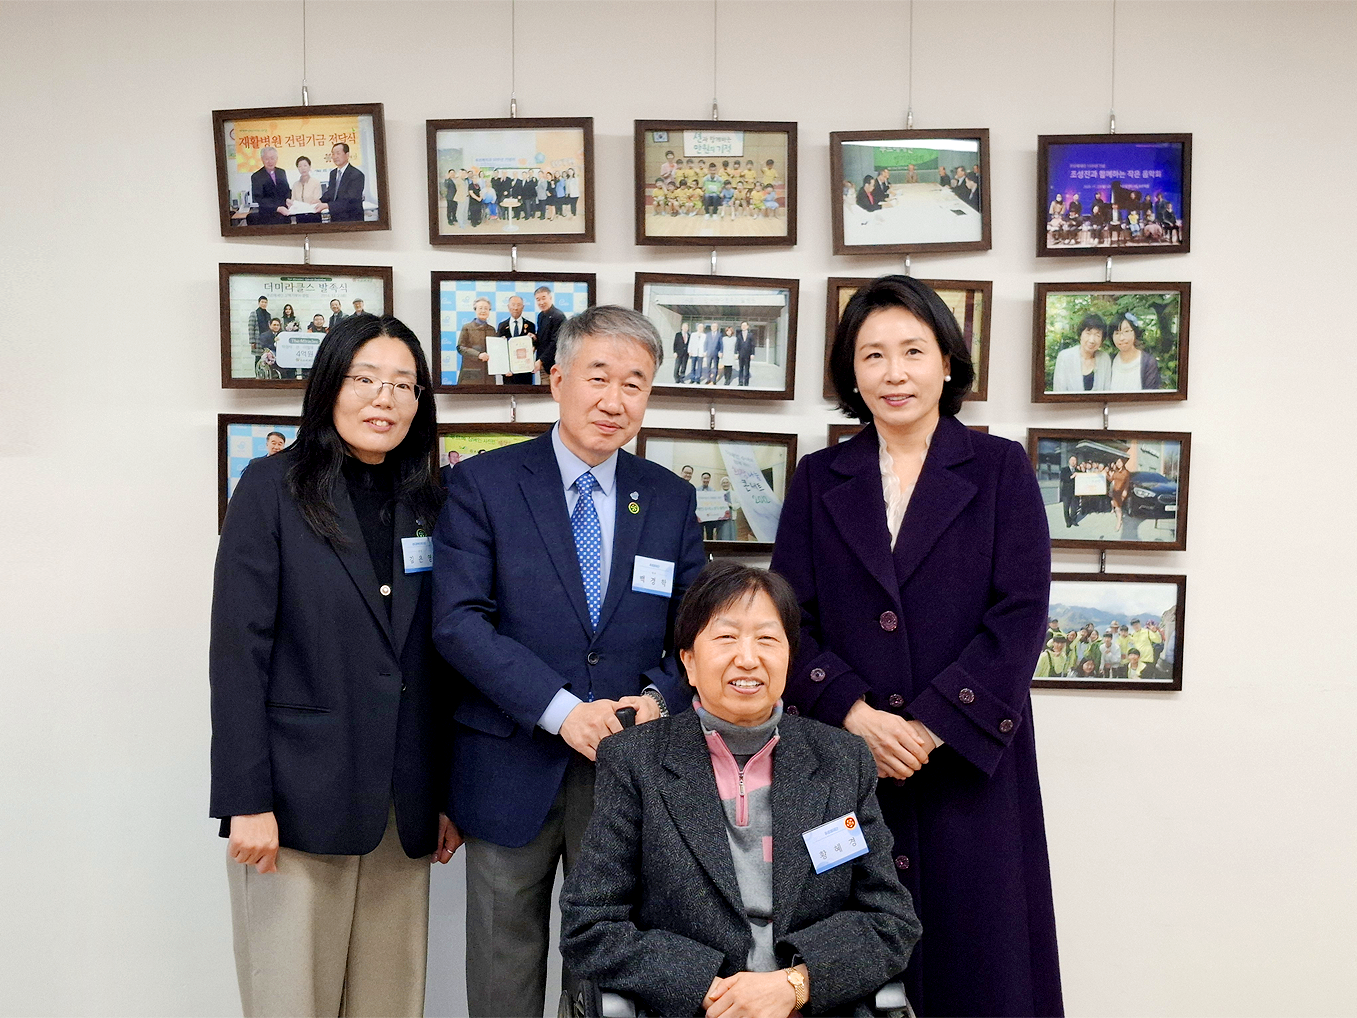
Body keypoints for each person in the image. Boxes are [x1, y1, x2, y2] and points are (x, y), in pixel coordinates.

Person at [770, 274, 1062, 1017]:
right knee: (848, 960)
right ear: (851, 371)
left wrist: (930, 726)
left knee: (980, 961)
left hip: (967, 760)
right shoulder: (818, 478)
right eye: (872, 355)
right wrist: (854, 715)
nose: (893, 373)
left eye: (912, 351)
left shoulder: (1000, 469)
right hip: (847, 761)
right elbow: (788, 620)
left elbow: (1021, 614)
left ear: (946, 362)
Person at [433, 305, 707, 1018]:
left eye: (635, 384)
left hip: (628, 764)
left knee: (607, 964)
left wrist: (658, 699)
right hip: (509, 759)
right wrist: (560, 711)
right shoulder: (483, 484)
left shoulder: (670, 499)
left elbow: (698, 631)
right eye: (598, 377)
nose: (615, 400)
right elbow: (458, 622)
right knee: (503, 963)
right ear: (557, 379)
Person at [211, 314, 460, 1018]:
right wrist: (245, 800)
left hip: (402, 806)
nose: (385, 399)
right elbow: (237, 653)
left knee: (390, 1002)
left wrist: (446, 793)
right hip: (293, 804)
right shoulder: (271, 487)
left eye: (404, 385)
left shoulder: (431, 503)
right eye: (366, 379)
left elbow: (442, 659)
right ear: (329, 386)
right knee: (290, 999)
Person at [559, 561, 921, 1018]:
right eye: (726, 637)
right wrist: (709, 990)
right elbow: (589, 923)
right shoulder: (636, 761)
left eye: (767, 639)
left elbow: (890, 921)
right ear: (689, 660)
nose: (747, 658)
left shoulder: (841, 760)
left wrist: (795, 985)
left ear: (789, 657)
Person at [1052, 313, 1111, 393]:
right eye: (1088, 333)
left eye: (1097, 335)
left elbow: (1107, 392)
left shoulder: (1104, 358)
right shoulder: (1065, 357)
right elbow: (1058, 392)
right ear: (1080, 335)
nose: (1092, 340)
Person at [1108, 311, 1164, 391]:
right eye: (1117, 333)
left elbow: (1151, 395)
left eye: (1126, 331)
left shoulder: (1148, 362)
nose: (1121, 338)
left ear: (1134, 332)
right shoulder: (1110, 361)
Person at [318, 142, 366, 223]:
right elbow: (331, 193)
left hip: (352, 219)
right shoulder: (333, 173)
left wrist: (328, 205)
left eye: (338, 153)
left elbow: (351, 199)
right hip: (335, 218)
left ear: (347, 155)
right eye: (333, 154)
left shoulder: (357, 175)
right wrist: (320, 201)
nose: (335, 157)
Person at [498, 294, 537, 385]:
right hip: (508, 372)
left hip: (525, 371)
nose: (515, 308)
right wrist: (504, 368)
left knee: (527, 393)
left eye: (518, 305)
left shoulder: (530, 325)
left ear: (523, 307)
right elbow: (500, 350)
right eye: (513, 305)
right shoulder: (502, 326)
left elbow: (535, 345)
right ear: (508, 307)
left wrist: (534, 341)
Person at [456, 298, 495, 385]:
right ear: (475, 310)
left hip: (488, 375)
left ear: (489, 311)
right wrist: (478, 355)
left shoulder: (492, 329)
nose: (483, 311)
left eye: (486, 308)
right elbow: (460, 347)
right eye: (480, 308)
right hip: (471, 371)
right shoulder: (467, 327)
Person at [248, 146, 291, 226]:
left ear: (276, 159)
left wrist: (288, 199)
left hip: (284, 215)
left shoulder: (281, 172)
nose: (270, 161)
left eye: (272, 158)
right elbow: (258, 198)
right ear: (262, 159)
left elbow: (287, 190)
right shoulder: (256, 176)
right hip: (267, 217)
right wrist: (277, 208)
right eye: (267, 159)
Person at [533, 285, 567, 375]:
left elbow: (556, 342)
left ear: (550, 298)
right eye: (538, 299)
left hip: (555, 364)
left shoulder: (558, 316)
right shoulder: (540, 316)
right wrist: (534, 338)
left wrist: (541, 360)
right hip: (543, 364)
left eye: (543, 298)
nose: (541, 302)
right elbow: (542, 338)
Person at [286, 156, 323, 224]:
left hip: (313, 216)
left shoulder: (316, 182)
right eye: (300, 166)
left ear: (309, 167)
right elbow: (293, 201)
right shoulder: (295, 185)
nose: (303, 168)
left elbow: (316, 200)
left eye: (305, 165)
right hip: (300, 217)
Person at [1108, 457, 1132, 532]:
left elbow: (1127, 483)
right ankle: (1120, 519)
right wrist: (1105, 474)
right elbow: (1111, 479)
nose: (1118, 464)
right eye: (1117, 462)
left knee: (1118, 507)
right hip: (1115, 492)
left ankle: (1118, 523)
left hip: (1121, 492)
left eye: (1119, 462)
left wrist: (1125, 491)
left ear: (1123, 463)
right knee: (1117, 507)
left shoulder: (1126, 472)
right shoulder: (1116, 472)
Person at [1058, 455, 1079, 528]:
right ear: (1069, 461)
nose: (1073, 462)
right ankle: (1068, 522)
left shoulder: (1078, 470)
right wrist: (1072, 476)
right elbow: (1063, 478)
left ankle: (1073, 520)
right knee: (1066, 508)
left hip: (1075, 492)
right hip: (1066, 493)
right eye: (1072, 460)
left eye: (1075, 460)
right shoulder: (1064, 469)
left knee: (1074, 508)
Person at [734, 321, 756, 387]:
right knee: (740, 368)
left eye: (745, 325)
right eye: (742, 326)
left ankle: (746, 383)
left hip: (748, 354)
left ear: (747, 326)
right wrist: (736, 353)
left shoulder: (751, 335)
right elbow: (737, 344)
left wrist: (752, 354)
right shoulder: (739, 334)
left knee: (747, 369)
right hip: (741, 354)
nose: (743, 327)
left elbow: (753, 345)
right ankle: (740, 382)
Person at [718, 475, 738, 539]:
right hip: (722, 519)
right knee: (722, 533)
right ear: (721, 484)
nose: (725, 484)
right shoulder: (718, 494)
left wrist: (731, 505)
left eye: (727, 482)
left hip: (731, 518)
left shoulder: (734, 493)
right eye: (724, 483)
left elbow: (739, 504)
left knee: (732, 533)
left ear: (729, 483)